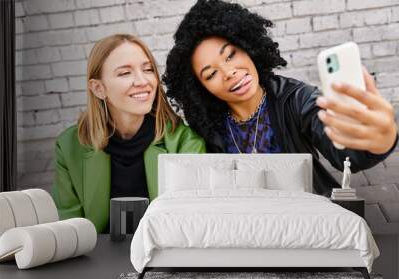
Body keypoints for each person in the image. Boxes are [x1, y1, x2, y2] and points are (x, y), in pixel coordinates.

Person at [163, 0, 398, 196]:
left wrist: (381, 139)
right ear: (202, 88)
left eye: (231, 54)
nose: (229, 73)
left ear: (247, 45)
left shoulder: (295, 99)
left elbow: (346, 156)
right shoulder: (210, 126)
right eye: (211, 74)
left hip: (308, 222)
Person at [52, 34, 206, 233]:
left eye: (148, 69)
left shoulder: (185, 142)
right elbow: (69, 229)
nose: (142, 81)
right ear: (98, 88)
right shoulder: (68, 146)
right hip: (96, 258)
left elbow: (189, 224)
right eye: (125, 73)